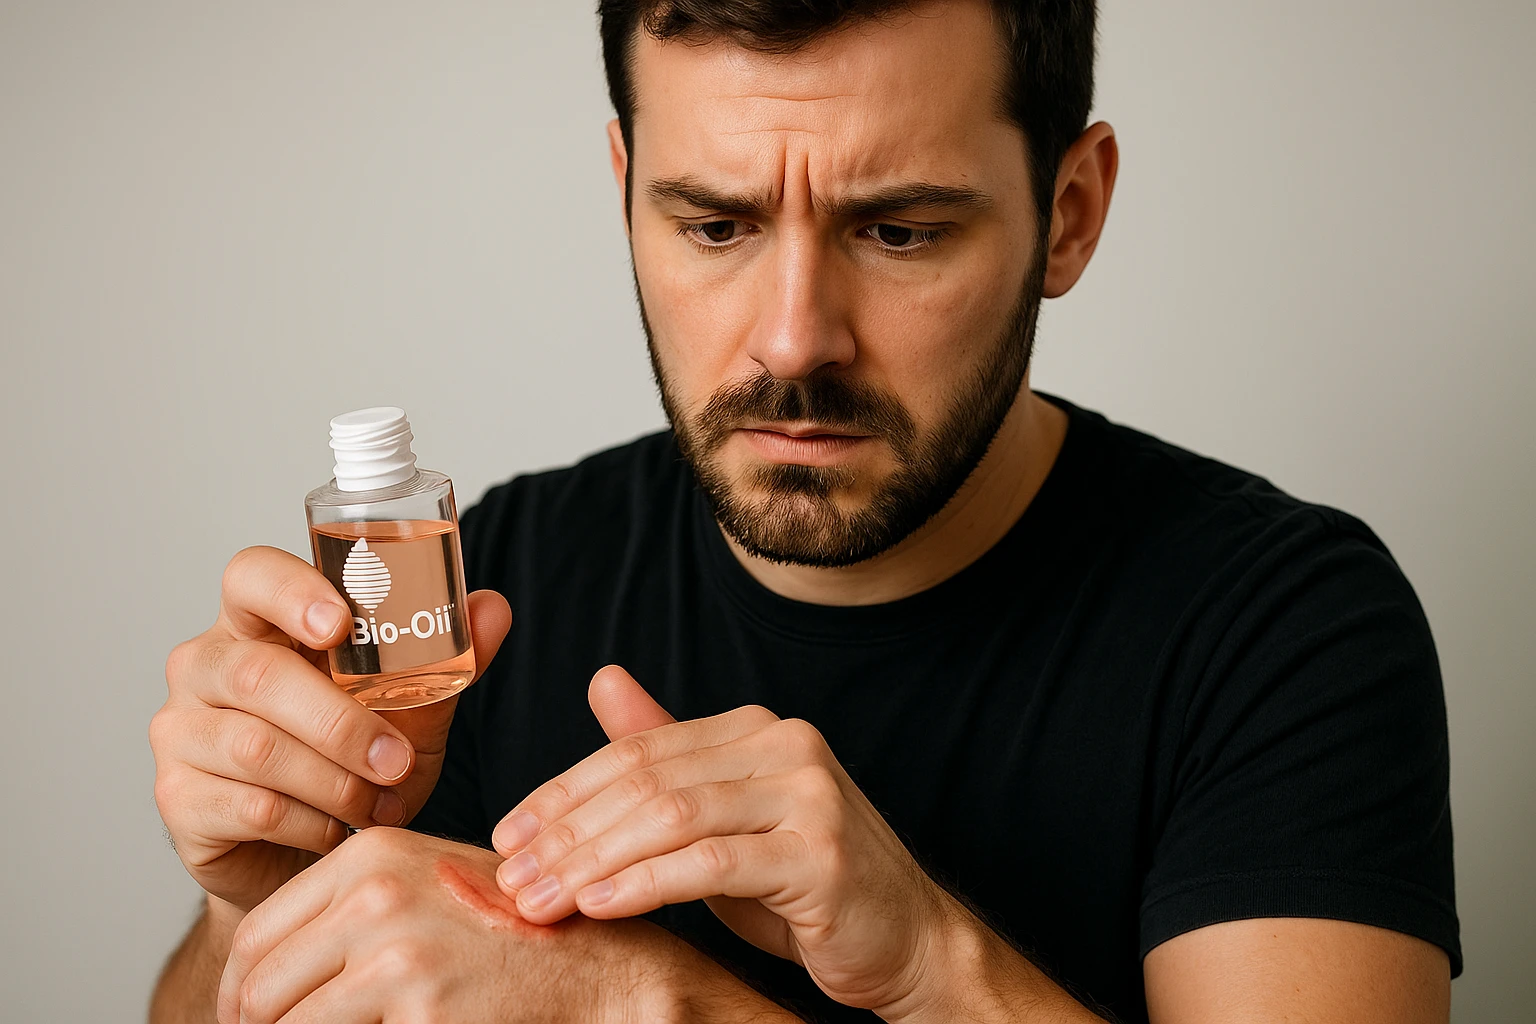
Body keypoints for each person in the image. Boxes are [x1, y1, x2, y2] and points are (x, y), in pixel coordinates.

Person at [148, 1, 1460, 1021]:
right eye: (715, 226)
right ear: (624, 194)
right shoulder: (503, 575)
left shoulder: (1287, 628)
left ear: (1068, 213)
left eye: (896, 232)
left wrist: (795, 987)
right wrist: (254, 905)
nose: (792, 342)